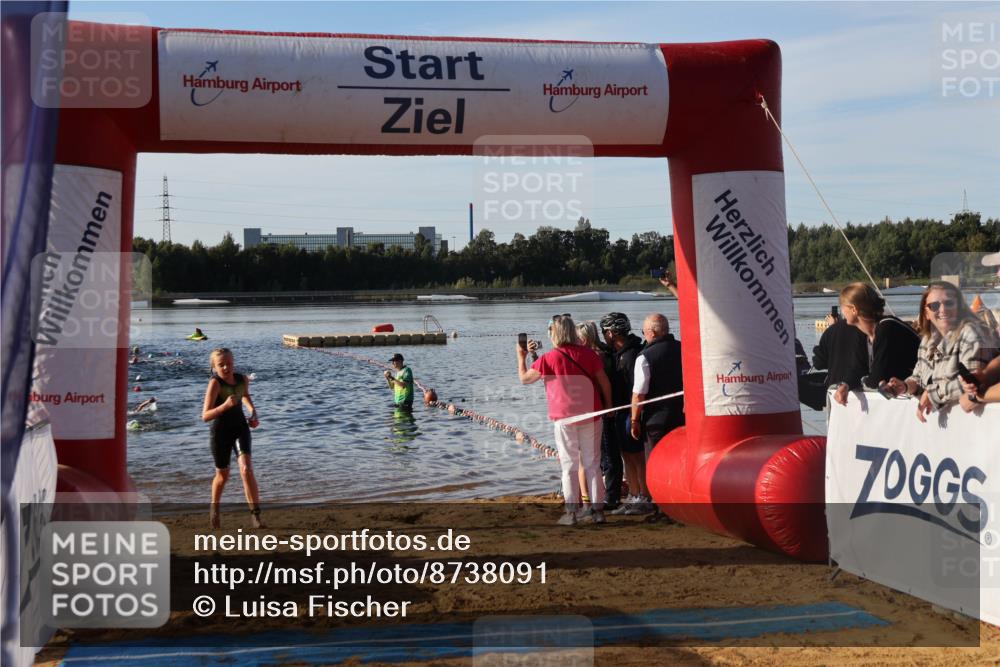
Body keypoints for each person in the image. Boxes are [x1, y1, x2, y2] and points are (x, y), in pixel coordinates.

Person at [518, 315, 612, 526]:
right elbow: (604, 382)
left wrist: (520, 356)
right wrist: (608, 407)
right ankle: (598, 511)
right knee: (593, 464)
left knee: (569, 466)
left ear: (554, 333)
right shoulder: (588, 354)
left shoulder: (549, 358)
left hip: (564, 417)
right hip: (592, 414)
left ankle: (572, 513)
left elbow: (524, 379)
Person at [880, 282, 995, 421]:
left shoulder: (973, 334)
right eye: (934, 306)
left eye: (949, 303)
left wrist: (933, 394)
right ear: (926, 313)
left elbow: (973, 383)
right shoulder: (928, 340)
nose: (943, 309)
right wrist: (904, 386)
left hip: (974, 422)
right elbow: (918, 377)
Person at [628, 313, 684, 520]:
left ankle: (662, 509)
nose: (643, 335)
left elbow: (639, 393)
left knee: (656, 465)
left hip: (656, 420)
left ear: (651, 332)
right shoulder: (683, 349)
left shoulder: (645, 356)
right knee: (678, 462)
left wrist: (634, 420)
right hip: (682, 416)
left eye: (643, 332)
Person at [201, 348, 263, 529]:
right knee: (222, 475)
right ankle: (215, 507)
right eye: (221, 365)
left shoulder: (242, 379)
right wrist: (225, 405)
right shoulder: (215, 383)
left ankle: (256, 516)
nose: (226, 368)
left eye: (229, 363)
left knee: (246, 469)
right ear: (214, 367)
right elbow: (205, 416)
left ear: (234, 362)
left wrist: (253, 412)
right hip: (220, 433)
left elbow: (245, 395)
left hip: (240, 429)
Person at [832, 282, 919, 406]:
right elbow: (858, 368)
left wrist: (864, 380)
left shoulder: (887, 328)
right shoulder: (863, 332)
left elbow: (878, 377)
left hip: (917, 391)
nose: (841, 311)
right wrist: (845, 385)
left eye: (842, 306)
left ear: (854, 309)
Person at [598, 312, 644, 512]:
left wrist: (635, 417)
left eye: (604, 332)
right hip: (621, 412)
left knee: (637, 457)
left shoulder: (632, 355)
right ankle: (634, 494)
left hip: (629, 411)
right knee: (627, 456)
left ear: (612, 333)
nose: (604, 336)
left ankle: (644, 496)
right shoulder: (617, 353)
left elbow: (636, 388)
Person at [576, 321, 612, 507]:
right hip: (599, 408)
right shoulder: (603, 354)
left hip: (593, 410)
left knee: (591, 457)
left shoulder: (593, 356)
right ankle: (596, 494)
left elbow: (603, 383)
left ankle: (591, 497)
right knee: (597, 456)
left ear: (584, 339)